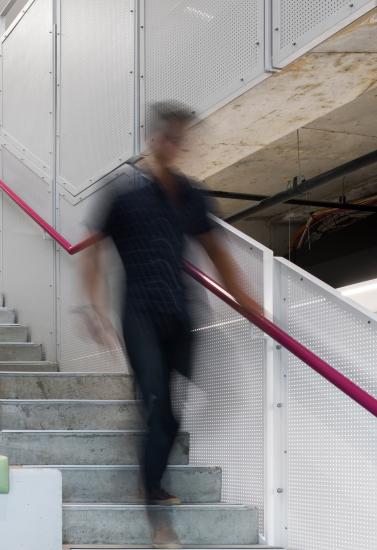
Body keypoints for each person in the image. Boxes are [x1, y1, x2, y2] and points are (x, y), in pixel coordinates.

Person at [81, 101, 262, 548]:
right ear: (153, 138)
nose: (177, 145)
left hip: (180, 314)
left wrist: (247, 303)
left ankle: (148, 420)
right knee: (160, 408)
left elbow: (215, 250)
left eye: (183, 138)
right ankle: (154, 509)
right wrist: (94, 308)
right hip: (139, 311)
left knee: (169, 410)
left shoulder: (192, 194)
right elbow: (92, 249)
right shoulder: (122, 192)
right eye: (171, 137)